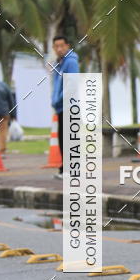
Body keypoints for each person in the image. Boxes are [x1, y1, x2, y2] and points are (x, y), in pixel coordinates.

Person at [51, 35, 79, 178]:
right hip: (61, 107)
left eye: (62, 45)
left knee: (68, 138)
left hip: (70, 105)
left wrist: (59, 99)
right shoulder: (59, 63)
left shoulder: (71, 62)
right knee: (63, 138)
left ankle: (72, 171)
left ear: (67, 45)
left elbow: (72, 85)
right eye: (56, 46)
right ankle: (65, 169)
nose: (59, 48)